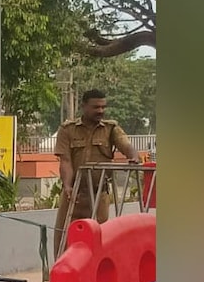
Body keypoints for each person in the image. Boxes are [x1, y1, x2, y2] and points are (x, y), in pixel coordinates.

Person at [53, 89, 140, 256]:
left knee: (98, 241)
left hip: (99, 196)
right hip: (74, 196)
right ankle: (60, 275)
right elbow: (65, 161)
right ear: (84, 106)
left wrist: (133, 156)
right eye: (96, 107)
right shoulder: (68, 130)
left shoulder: (110, 128)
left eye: (103, 107)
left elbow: (125, 144)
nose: (100, 111)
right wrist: (68, 186)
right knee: (63, 239)